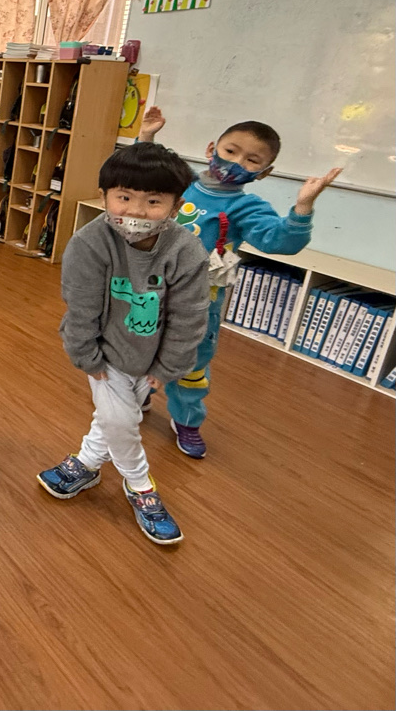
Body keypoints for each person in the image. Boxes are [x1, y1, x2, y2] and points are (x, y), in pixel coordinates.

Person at [139, 107, 342, 457]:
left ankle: (186, 421)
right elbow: (142, 177)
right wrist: (147, 136)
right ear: (211, 149)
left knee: (193, 364)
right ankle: (138, 394)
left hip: (198, 304)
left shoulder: (247, 207)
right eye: (230, 151)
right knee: (140, 347)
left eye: (251, 160)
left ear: (264, 173)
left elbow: (281, 241)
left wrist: (303, 207)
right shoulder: (179, 183)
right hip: (150, 292)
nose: (236, 163)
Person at [38, 142, 209, 545]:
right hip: (106, 353)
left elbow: (189, 318)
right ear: (104, 197)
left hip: (151, 356)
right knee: (120, 421)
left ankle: (86, 463)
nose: (136, 211)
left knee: (116, 416)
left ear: (176, 206)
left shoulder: (186, 251)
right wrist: (87, 356)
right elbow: (80, 308)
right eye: (124, 197)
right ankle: (140, 486)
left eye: (154, 201)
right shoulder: (89, 243)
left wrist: (167, 367)